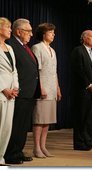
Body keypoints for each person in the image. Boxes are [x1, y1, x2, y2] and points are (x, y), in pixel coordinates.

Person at [4, 18, 41, 164]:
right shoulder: (10, 45)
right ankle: (10, 154)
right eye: (29, 31)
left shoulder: (25, 47)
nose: (31, 34)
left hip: (30, 93)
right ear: (19, 32)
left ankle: (18, 151)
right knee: (16, 125)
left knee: (24, 126)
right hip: (19, 92)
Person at [31, 23, 62, 158]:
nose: (53, 34)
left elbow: (54, 72)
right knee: (39, 119)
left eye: (53, 32)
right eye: (50, 32)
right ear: (43, 34)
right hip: (42, 89)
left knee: (47, 120)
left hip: (52, 89)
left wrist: (58, 88)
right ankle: (36, 147)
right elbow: (36, 70)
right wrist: (40, 87)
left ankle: (43, 146)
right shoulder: (37, 48)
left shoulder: (53, 50)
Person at [70, 30, 92, 151]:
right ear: (84, 38)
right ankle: (79, 143)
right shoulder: (78, 51)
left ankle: (88, 140)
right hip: (83, 90)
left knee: (91, 118)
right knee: (81, 117)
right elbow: (78, 70)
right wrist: (89, 85)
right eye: (91, 37)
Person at [0, 17, 19, 166]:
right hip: (1, 91)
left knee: (7, 127)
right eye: (8, 27)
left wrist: (15, 87)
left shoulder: (10, 48)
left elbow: (14, 71)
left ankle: (1, 158)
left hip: (11, 93)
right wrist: (3, 88)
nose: (10, 30)